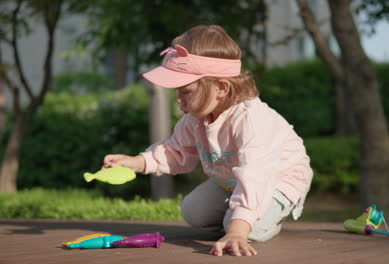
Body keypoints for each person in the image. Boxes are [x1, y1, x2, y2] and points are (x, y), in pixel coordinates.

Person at [103, 25, 313, 257]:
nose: (179, 100)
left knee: (248, 229)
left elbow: (257, 176)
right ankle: (235, 216)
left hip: (276, 181)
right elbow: (176, 151)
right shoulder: (195, 119)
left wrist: (237, 231)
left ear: (221, 88)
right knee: (193, 212)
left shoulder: (251, 121)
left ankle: (261, 217)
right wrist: (136, 162)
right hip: (230, 180)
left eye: (186, 91)